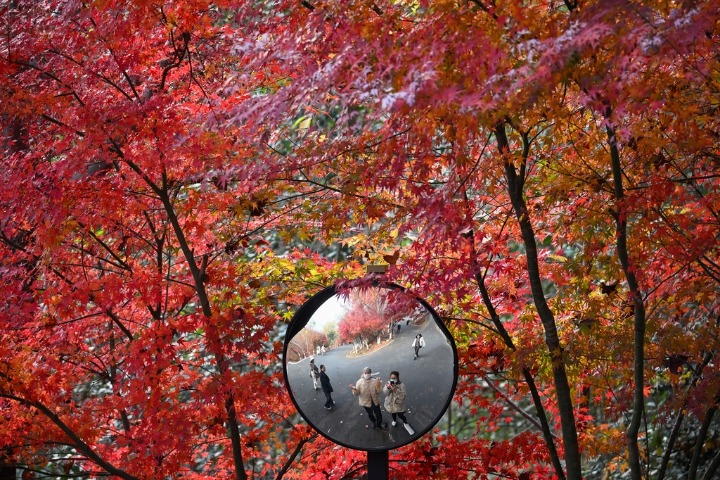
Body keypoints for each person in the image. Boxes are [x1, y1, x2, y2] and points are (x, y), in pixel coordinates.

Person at [383, 371, 415, 435]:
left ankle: (406, 423)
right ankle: (394, 420)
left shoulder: (401, 385)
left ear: (397, 378)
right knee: (393, 414)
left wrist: (396, 390)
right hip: (390, 405)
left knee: (401, 415)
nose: (392, 379)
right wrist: (388, 388)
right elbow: (385, 393)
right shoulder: (388, 383)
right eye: (391, 378)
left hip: (398, 406)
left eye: (394, 378)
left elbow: (403, 396)